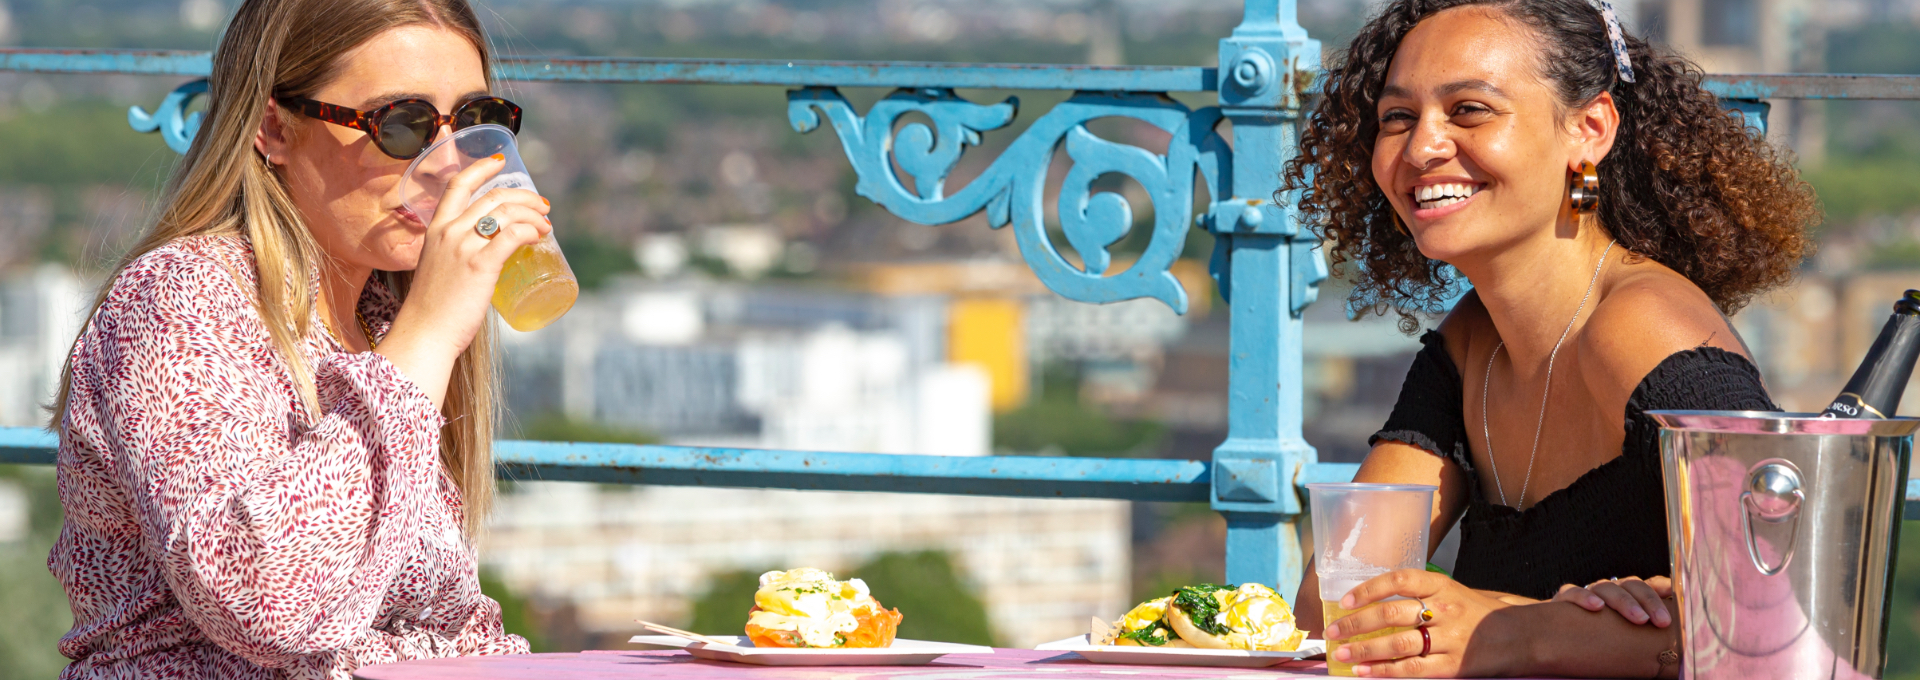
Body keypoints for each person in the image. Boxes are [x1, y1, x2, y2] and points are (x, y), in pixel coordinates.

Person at [1280, 0, 1817, 676]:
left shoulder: (1647, 330)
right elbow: (1331, 610)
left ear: (1589, 128)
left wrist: (1510, 631)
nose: (1421, 147)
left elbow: (1790, 621)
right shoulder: (1474, 339)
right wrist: (1539, 619)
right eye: (1397, 117)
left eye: (1469, 110)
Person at [48, 0, 553, 677]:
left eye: (471, 122)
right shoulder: (176, 298)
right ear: (274, 130)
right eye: (400, 124)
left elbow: (447, 619)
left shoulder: (378, 317)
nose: (447, 163)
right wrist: (428, 338)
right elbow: (262, 599)